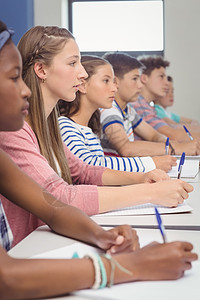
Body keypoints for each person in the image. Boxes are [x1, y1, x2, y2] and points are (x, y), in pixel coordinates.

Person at [0, 22, 198, 299]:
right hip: (28, 255)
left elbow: (61, 198)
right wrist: (126, 266)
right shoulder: (13, 133)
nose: (25, 91)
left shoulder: (48, 126)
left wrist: (100, 235)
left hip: (38, 248)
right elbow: (6, 279)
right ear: (42, 71)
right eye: (13, 78)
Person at [58, 55, 157, 173]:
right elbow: (90, 167)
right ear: (83, 85)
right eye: (106, 81)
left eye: (113, 82)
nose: (115, 88)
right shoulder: (65, 126)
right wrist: (151, 163)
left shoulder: (89, 131)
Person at [101, 52, 200, 159]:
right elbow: (126, 148)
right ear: (115, 81)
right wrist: (176, 148)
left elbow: (153, 135)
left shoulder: (129, 110)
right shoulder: (109, 109)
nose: (140, 85)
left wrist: (172, 144)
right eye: (134, 79)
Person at [133, 55, 200, 144]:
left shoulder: (147, 106)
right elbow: (173, 135)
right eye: (161, 76)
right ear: (144, 78)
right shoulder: (140, 105)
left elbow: (173, 128)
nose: (166, 83)